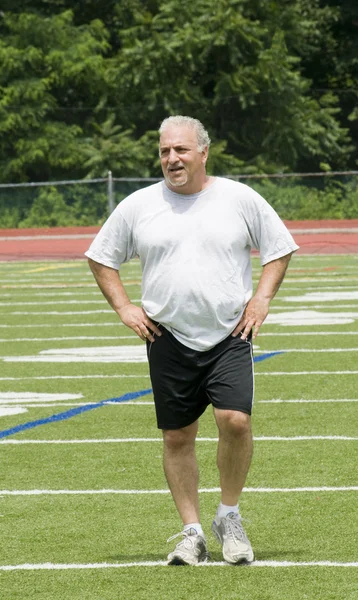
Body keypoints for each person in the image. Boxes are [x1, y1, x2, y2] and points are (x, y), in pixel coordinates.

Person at [85, 115, 299, 566]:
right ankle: (193, 532)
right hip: (167, 335)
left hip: (230, 331)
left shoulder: (238, 198)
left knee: (235, 420)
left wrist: (261, 299)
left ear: (203, 152)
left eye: (180, 150)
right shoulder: (139, 205)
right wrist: (125, 307)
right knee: (178, 435)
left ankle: (229, 516)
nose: (171, 159)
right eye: (164, 151)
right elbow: (101, 257)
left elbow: (279, 248)